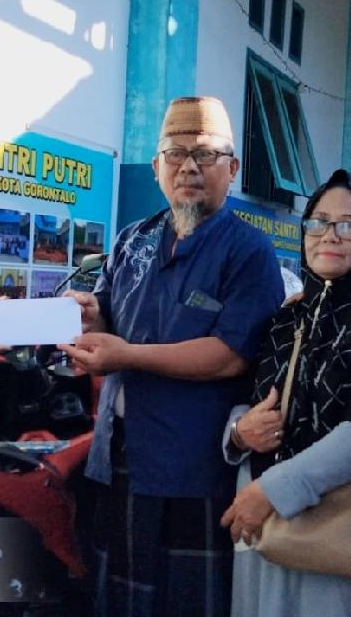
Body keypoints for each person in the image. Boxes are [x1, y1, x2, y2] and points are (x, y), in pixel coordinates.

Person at [59, 96, 284, 617]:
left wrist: (127, 355)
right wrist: (90, 316)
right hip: (118, 455)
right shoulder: (132, 240)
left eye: (205, 154)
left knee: (186, 602)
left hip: (193, 465)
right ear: (156, 166)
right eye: (175, 153)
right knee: (116, 600)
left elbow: (230, 356)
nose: (188, 167)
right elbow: (108, 319)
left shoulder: (249, 251)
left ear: (232, 168)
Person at [218, 169, 351, 616]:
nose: (329, 236)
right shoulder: (286, 318)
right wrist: (239, 432)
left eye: (348, 225)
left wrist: (271, 491)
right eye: (318, 222)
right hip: (264, 520)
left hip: (337, 521)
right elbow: (248, 396)